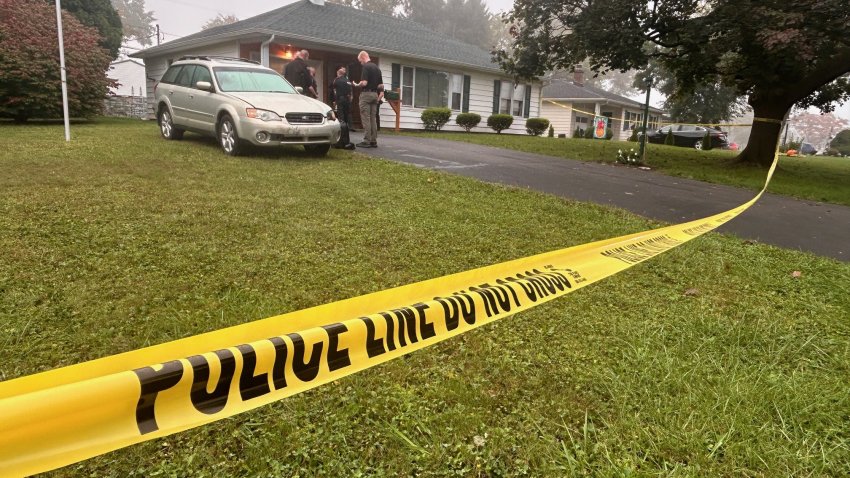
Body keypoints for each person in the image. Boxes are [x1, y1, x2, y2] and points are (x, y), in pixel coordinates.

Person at [355, 50, 383, 148]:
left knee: (365, 117)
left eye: (360, 61)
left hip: (366, 94)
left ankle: (366, 140)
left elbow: (365, 83)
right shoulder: (377, 68)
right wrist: (379, 95)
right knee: (373, 118)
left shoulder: (366, 67)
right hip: (375, 94)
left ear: (363, 57)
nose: (360, 63)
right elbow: (381, 86)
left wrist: (357, 84)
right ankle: (373, 141)